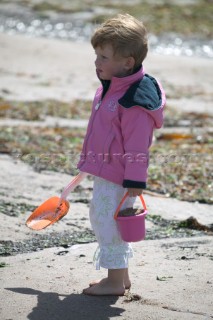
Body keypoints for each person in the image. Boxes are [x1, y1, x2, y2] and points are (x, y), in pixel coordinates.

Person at [77, 13, 166, 296]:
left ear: (127, 62)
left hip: (121, 177)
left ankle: (114, 282)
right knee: (107, 219)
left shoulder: (134, 101)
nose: (96, 62)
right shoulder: (112, 88)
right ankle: (122, 277)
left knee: (106, 222)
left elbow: (138, 148)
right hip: (107, 170)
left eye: (104, 56)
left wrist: (134, 185)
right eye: (96, 55)